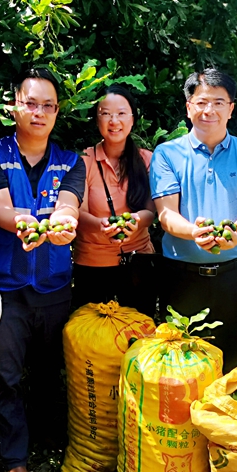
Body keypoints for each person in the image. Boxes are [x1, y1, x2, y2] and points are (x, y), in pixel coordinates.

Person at [0, 66, 85, 472]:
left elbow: (69, 204)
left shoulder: (70, 160)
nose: (39, 112)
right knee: (7, 375)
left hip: (54, 285)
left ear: (57, 113)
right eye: (31, 103)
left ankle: (54, 444)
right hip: (6, 287)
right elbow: (0, 210)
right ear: (14, 105)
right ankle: (15, 461)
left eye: (48, 106)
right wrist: (36, 223)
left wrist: (65, 223)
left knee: (50, 370)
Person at [150, 68, 237, 373]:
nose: (209, 110)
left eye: (218, 102)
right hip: (182, 277)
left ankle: (227, 420)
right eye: (201, 102)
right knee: (182, 367)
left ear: (231, 109)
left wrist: (236, 232)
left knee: (234, 364)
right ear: (189, 107)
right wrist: (195, 233)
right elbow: (166, 215)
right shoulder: (166, 154)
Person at [73, 84, 157, 316]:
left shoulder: (147, 160)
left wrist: (136, 221)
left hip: (138, 264)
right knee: (90, 343)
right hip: (92, 267)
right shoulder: (84, 160)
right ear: (97, 119)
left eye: (121, 113)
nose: (114, 121)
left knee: (139, 338)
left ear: (132, 119)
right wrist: (102, 226)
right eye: (106, 114)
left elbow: (152, 210)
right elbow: (77, 212)